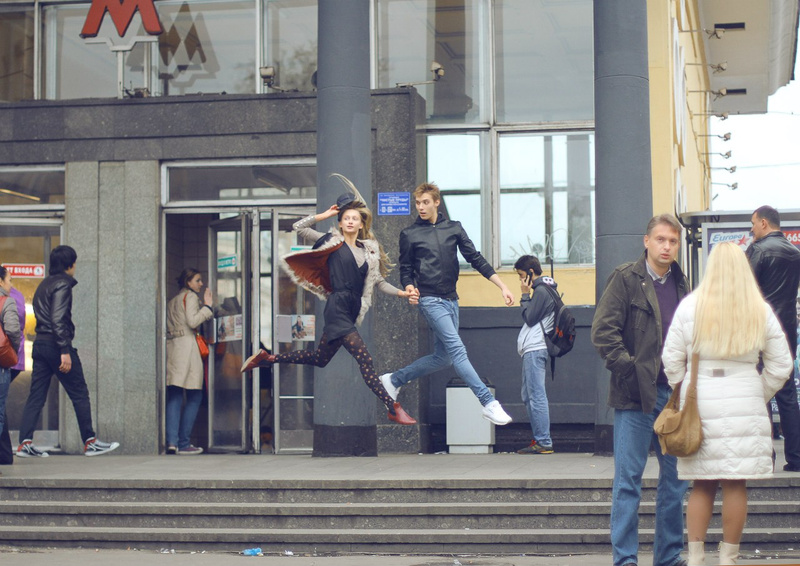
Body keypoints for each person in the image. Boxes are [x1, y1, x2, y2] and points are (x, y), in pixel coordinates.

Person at [241, 175, 418, 425]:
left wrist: (403, 293)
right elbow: (299, 228)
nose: (350, 221)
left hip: (352, 308)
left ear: (361, 223)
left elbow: (378, 282)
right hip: (337, 308)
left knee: (320, 359)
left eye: (355, 218)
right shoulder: (330, 241)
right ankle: (392, 406)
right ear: (341, 222)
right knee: (365, 359)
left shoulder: (368, 251)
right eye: (346, 218)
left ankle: (267, 359)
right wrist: (323, 215)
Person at [662, 242, 792, 566]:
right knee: (735, 484)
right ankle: (728, 558)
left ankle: (695, 558)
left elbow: (671, 360)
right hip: (745, 401)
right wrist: (757, 393)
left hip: (701, 402)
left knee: (702, 484)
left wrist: (686, 388)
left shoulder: (690, 307)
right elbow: (781, 365)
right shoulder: (758, 308)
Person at [591, 214, 690, 566]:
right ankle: (625, 559)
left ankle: (669, 557)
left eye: (673, 241)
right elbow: (603, 332)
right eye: (661, 239)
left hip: (673, 398)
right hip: (634, 396)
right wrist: (630, 370)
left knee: (675, 481)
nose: (667, 247)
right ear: (646, 241)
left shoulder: (682, 284)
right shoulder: (625, 279)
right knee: (628, 480)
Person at [378, 182, 515, 426]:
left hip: (452, 300)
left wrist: (502, 286)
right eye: (417, 203)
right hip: (429, 300)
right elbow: (406, 269)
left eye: (425, 202)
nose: (421, 207)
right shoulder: (410, 234)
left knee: (444, 358)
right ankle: (488, 403)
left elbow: (475, 258)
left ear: (436, 202)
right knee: (458, 350)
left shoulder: (454, 228)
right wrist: (408, 286)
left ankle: (394, 380)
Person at [17, 245, 120, 457]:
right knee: (79, 392)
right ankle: (90, 442)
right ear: (69, 265)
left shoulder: (44, 284)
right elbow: (57, 318)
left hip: (40, 344)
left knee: (36, 396)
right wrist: (64, 349)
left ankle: (24, 443)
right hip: (56, 346)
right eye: (75, 263)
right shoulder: (63, 284)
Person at [745, 205, 800, 473]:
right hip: (787, 329)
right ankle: (797, 458)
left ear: (764, 223)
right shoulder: (795, 253)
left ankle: (766, 457)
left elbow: (745, 289)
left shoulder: (757, 250)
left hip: (759, 329)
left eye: (753, 224)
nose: (752, 229)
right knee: (787, 392)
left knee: (759, 391)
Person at [165, 267, 214, 455]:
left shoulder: (173, 300)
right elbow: (193, 322)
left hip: (174, 347)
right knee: (194, 395)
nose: (201, 284)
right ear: (188, 282)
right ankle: (184, 442)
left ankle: (172, 442)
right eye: (198, 280)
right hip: (188, 348)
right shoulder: (191, 297)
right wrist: (207, 307)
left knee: (175, 394)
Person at [513, 254, 556, 454]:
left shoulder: (541, 291)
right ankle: (540, 438)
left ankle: (543, 441)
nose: (521, 280)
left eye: (522, 276)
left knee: (536, 395)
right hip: (533, 349)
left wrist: (524, 295)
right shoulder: (546, 289)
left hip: (535, 348)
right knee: (528, 395)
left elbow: (529, 318)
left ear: (531, 273)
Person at [0, 284, 25, 466]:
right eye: (9, 279)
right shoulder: (6, 301)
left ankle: (5, 455)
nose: (11, 284)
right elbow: (14, 331)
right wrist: (11, 352)